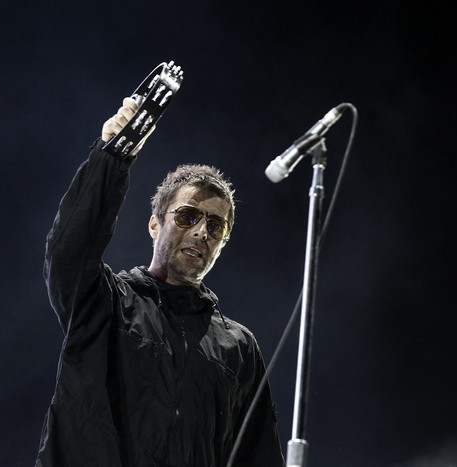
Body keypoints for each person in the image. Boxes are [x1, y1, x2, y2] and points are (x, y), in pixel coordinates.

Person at [35, 97, 285, 466]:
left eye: (215, 226)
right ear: (155, 224)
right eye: (188, 216)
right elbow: (69, 247)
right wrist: (113, 157)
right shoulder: (105, 301)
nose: (202, 232)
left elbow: (257, 455)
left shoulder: (239, 348)